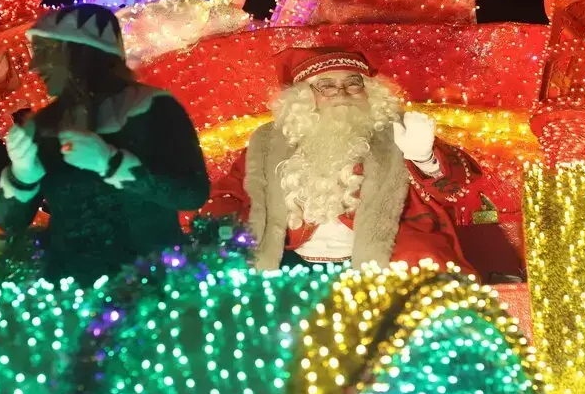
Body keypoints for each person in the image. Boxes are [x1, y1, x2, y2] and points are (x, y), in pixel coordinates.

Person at [201, 46, 520, 279]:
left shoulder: (397, 132)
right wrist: (225, 231)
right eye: (326, 85)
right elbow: (229, 196)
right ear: (304, 97)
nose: (341, 92)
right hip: (289, 262)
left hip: (383, 260)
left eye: (353, 82)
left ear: (368, 92)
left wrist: (425, 158)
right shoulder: (268, 143)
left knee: (425, 269)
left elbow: (460, 189)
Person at [0, 4, 210, 285]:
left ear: (81, 52)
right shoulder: (42, 125)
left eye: (45, 51)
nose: (34, 67)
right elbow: (9, 222)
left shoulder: (153, 107)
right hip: (70, 297)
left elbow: (191, 193)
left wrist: (112, 163)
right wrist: (23, 175)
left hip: (151, 291)